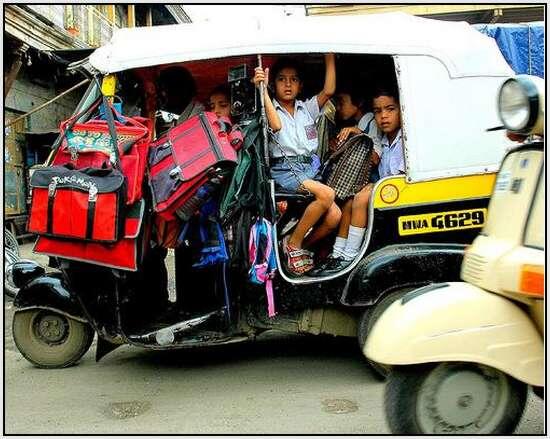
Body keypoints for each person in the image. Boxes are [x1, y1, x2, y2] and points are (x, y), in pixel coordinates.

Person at [253, 54, 340, 275]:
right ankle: (294, 243)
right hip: (285, 169)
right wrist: (262, 90)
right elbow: (276, 125)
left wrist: (328, 55)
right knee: (327, 195)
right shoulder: (270, 108)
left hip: (309, 169)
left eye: (293, 79)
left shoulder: (307, 108)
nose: (288, 84)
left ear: (301, 85)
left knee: (335, 216)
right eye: (282, 79)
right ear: (274, 85)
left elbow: (328, 90)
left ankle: (297, 246)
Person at [311, 86, 405, 275]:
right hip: (383, 191)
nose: (383, 116)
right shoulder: (386, 141)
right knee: (350, 201)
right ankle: (337, 254)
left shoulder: (404, 141)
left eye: (390, 109)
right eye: (378, 111)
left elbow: (398, 179)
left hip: (397, 195)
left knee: (361, 197)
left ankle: (350, 256)